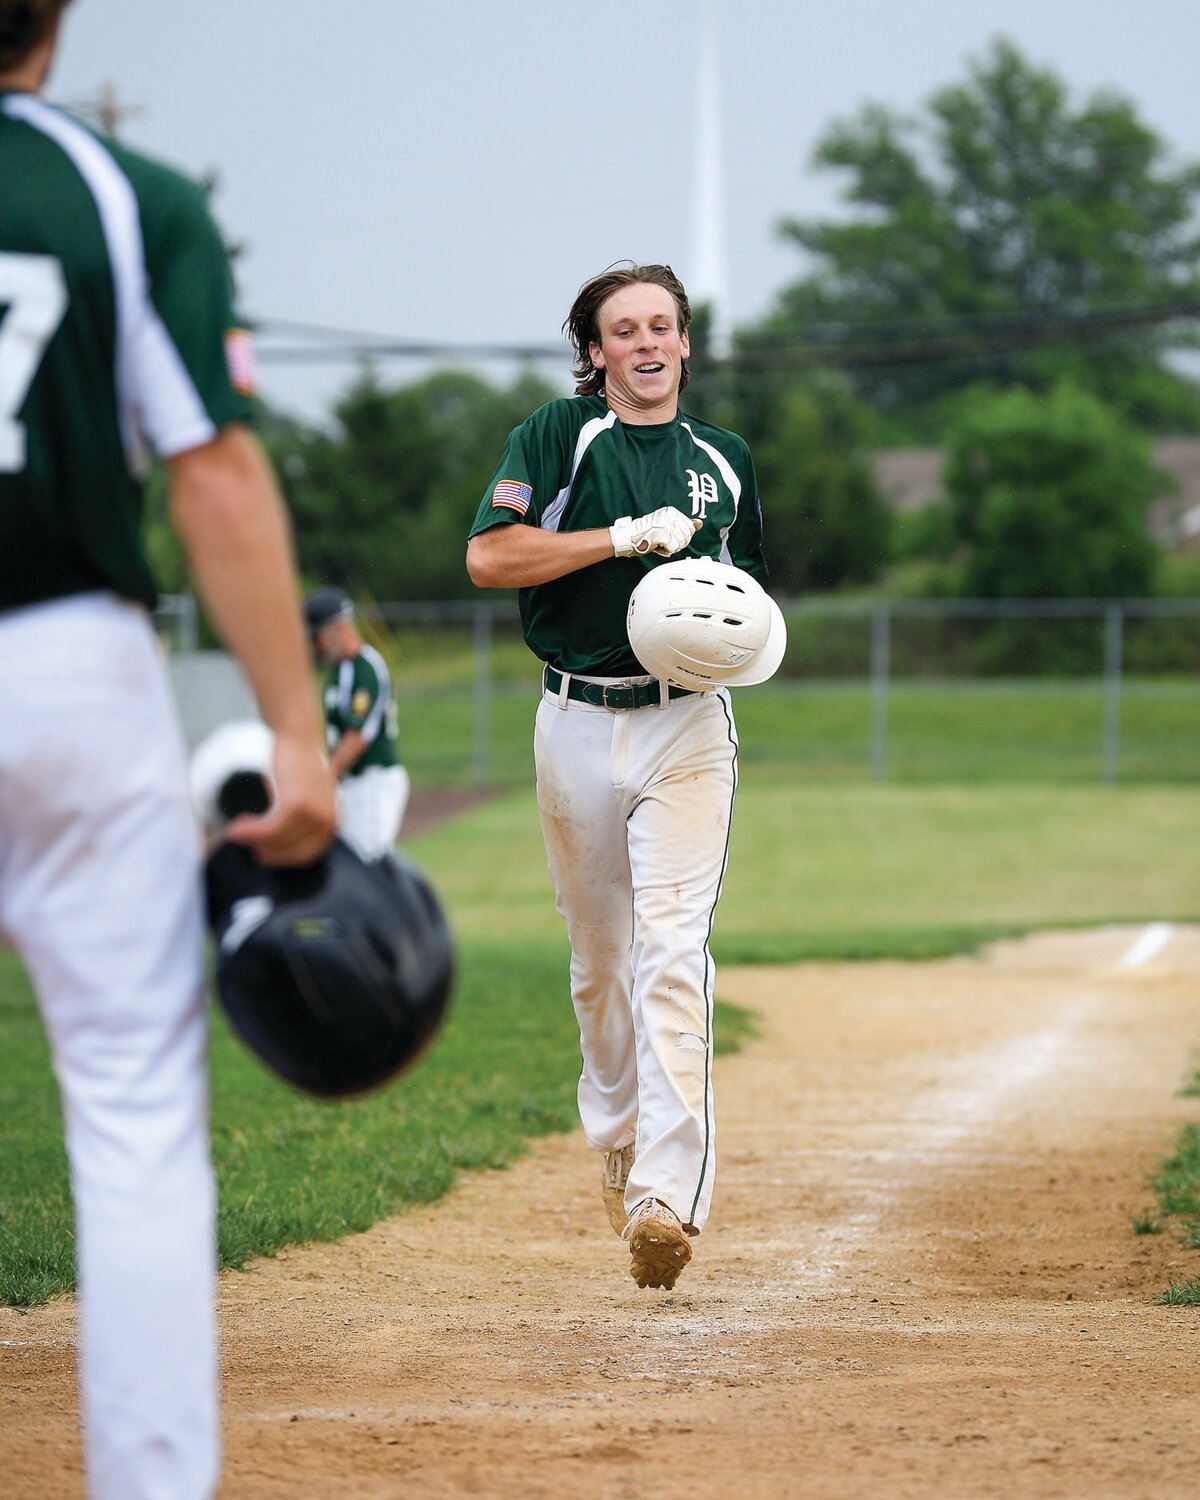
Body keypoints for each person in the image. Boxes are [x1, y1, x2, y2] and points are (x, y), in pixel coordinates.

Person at [0, 5, 337, 1498]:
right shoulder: (126, 197)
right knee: (134, 1107)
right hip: (69, 662)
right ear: (52, 22)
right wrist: (294, 732)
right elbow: (212, 467)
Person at [466, 262, 770, 1291]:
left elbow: (748, 601)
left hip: (686, 725)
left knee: (674, 953)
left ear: (685, 343)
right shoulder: (557, 435)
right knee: (602, 962)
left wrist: (722, 632)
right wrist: (616, 541)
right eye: (623, 330)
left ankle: (663, 1200)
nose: (645, 343)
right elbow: (491, 559)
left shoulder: (723, 461)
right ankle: (617, 1134)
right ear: (595, 353)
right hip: (576, 722)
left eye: (663, 327)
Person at [304, 585, 409, 859]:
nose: (315, 646)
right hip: (350, 783)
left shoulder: (366, 667)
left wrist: (325, 779)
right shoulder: (339, 671)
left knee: (368, 863)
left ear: (338, 627)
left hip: (372, 780)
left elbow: (357, 737)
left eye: (317, 637)